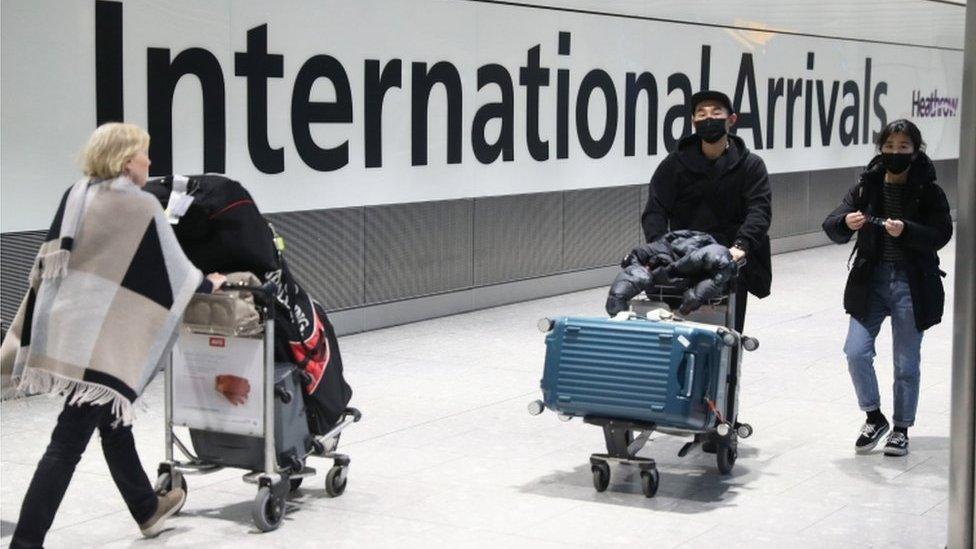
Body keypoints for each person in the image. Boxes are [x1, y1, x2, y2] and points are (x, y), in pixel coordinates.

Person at [0, 123, 223, 548]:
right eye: (145, 155)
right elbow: (176, 272)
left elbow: (56, 262)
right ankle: (25, 542)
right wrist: (210, 283)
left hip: (70, 330)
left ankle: (145, 507)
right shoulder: (140, 207)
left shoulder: (76, 196)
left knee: (112, 421)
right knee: (66, 443)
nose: (150, 162)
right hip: (99, 346)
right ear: (126, 161)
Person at [822, 119, 952, 457]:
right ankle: (874, 416)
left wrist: (906, 230)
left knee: (906, 363)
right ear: (881, 148)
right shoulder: (866, 186)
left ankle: (901, 428)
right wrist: (845, 222)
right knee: (856, 351)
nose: (896, 153)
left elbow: (941, 233)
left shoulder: (929, 190)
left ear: (915, 150)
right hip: (871, 281)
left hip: (911, 284)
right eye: (890, 146)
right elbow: (832, 224)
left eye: (903, 147)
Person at [641, 90, 772, 331]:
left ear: (731, 120)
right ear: (693, 122)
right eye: (701, 114)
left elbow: (759, 210)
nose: (708, 118)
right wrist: (660, 246)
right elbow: (655, 210)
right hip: (684, 257)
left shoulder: (750, 165)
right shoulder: (674, 164)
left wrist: (741, 246)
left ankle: (729, 366)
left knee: (727, 332)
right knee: (678, 327)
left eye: (716, 113)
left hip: (728, 257)